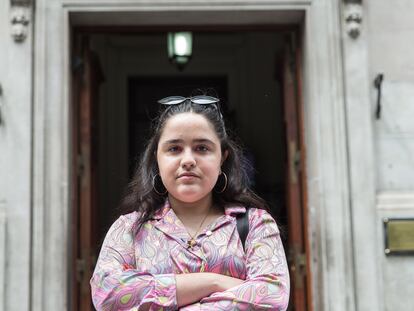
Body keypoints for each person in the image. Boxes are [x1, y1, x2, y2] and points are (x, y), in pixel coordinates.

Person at [90, 94, 290, 310]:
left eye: (202, 148)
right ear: (157, 157)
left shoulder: (256, 225)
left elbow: (272, 297)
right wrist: (213, 282)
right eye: (174, 149)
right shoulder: (129, 228)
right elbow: (106, 292)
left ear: (222, 158)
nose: (188, 160)